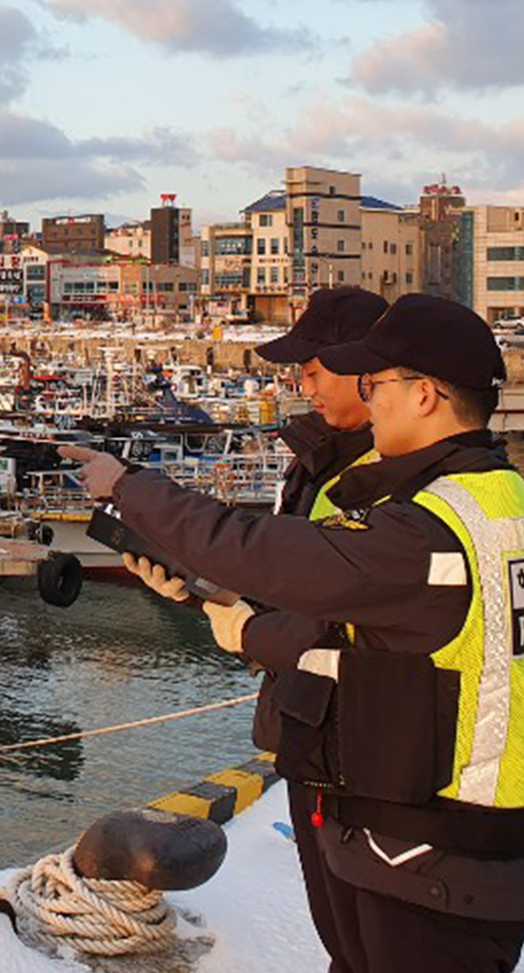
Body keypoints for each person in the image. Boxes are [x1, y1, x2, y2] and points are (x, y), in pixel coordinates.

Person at [64, 294, 524, 973]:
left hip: (432, 852)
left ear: (427, 396)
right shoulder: (498, 503)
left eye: (379, 385)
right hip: (448, 840)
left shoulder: (429, 530)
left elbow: (265, 553)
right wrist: (241, 619)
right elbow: (381, 643)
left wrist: (131, 488)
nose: (369, 399)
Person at [121, 286, 384, 968]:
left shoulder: (383, 482)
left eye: (314, 370)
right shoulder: (316, 464)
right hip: (310, 734)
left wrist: (248, 629)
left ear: (366, 370)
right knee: (345, 936)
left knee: (371, 938)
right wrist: (201, 599)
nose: (301, 384)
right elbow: (287, 592)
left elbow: (345, 617)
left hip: (361, 751)